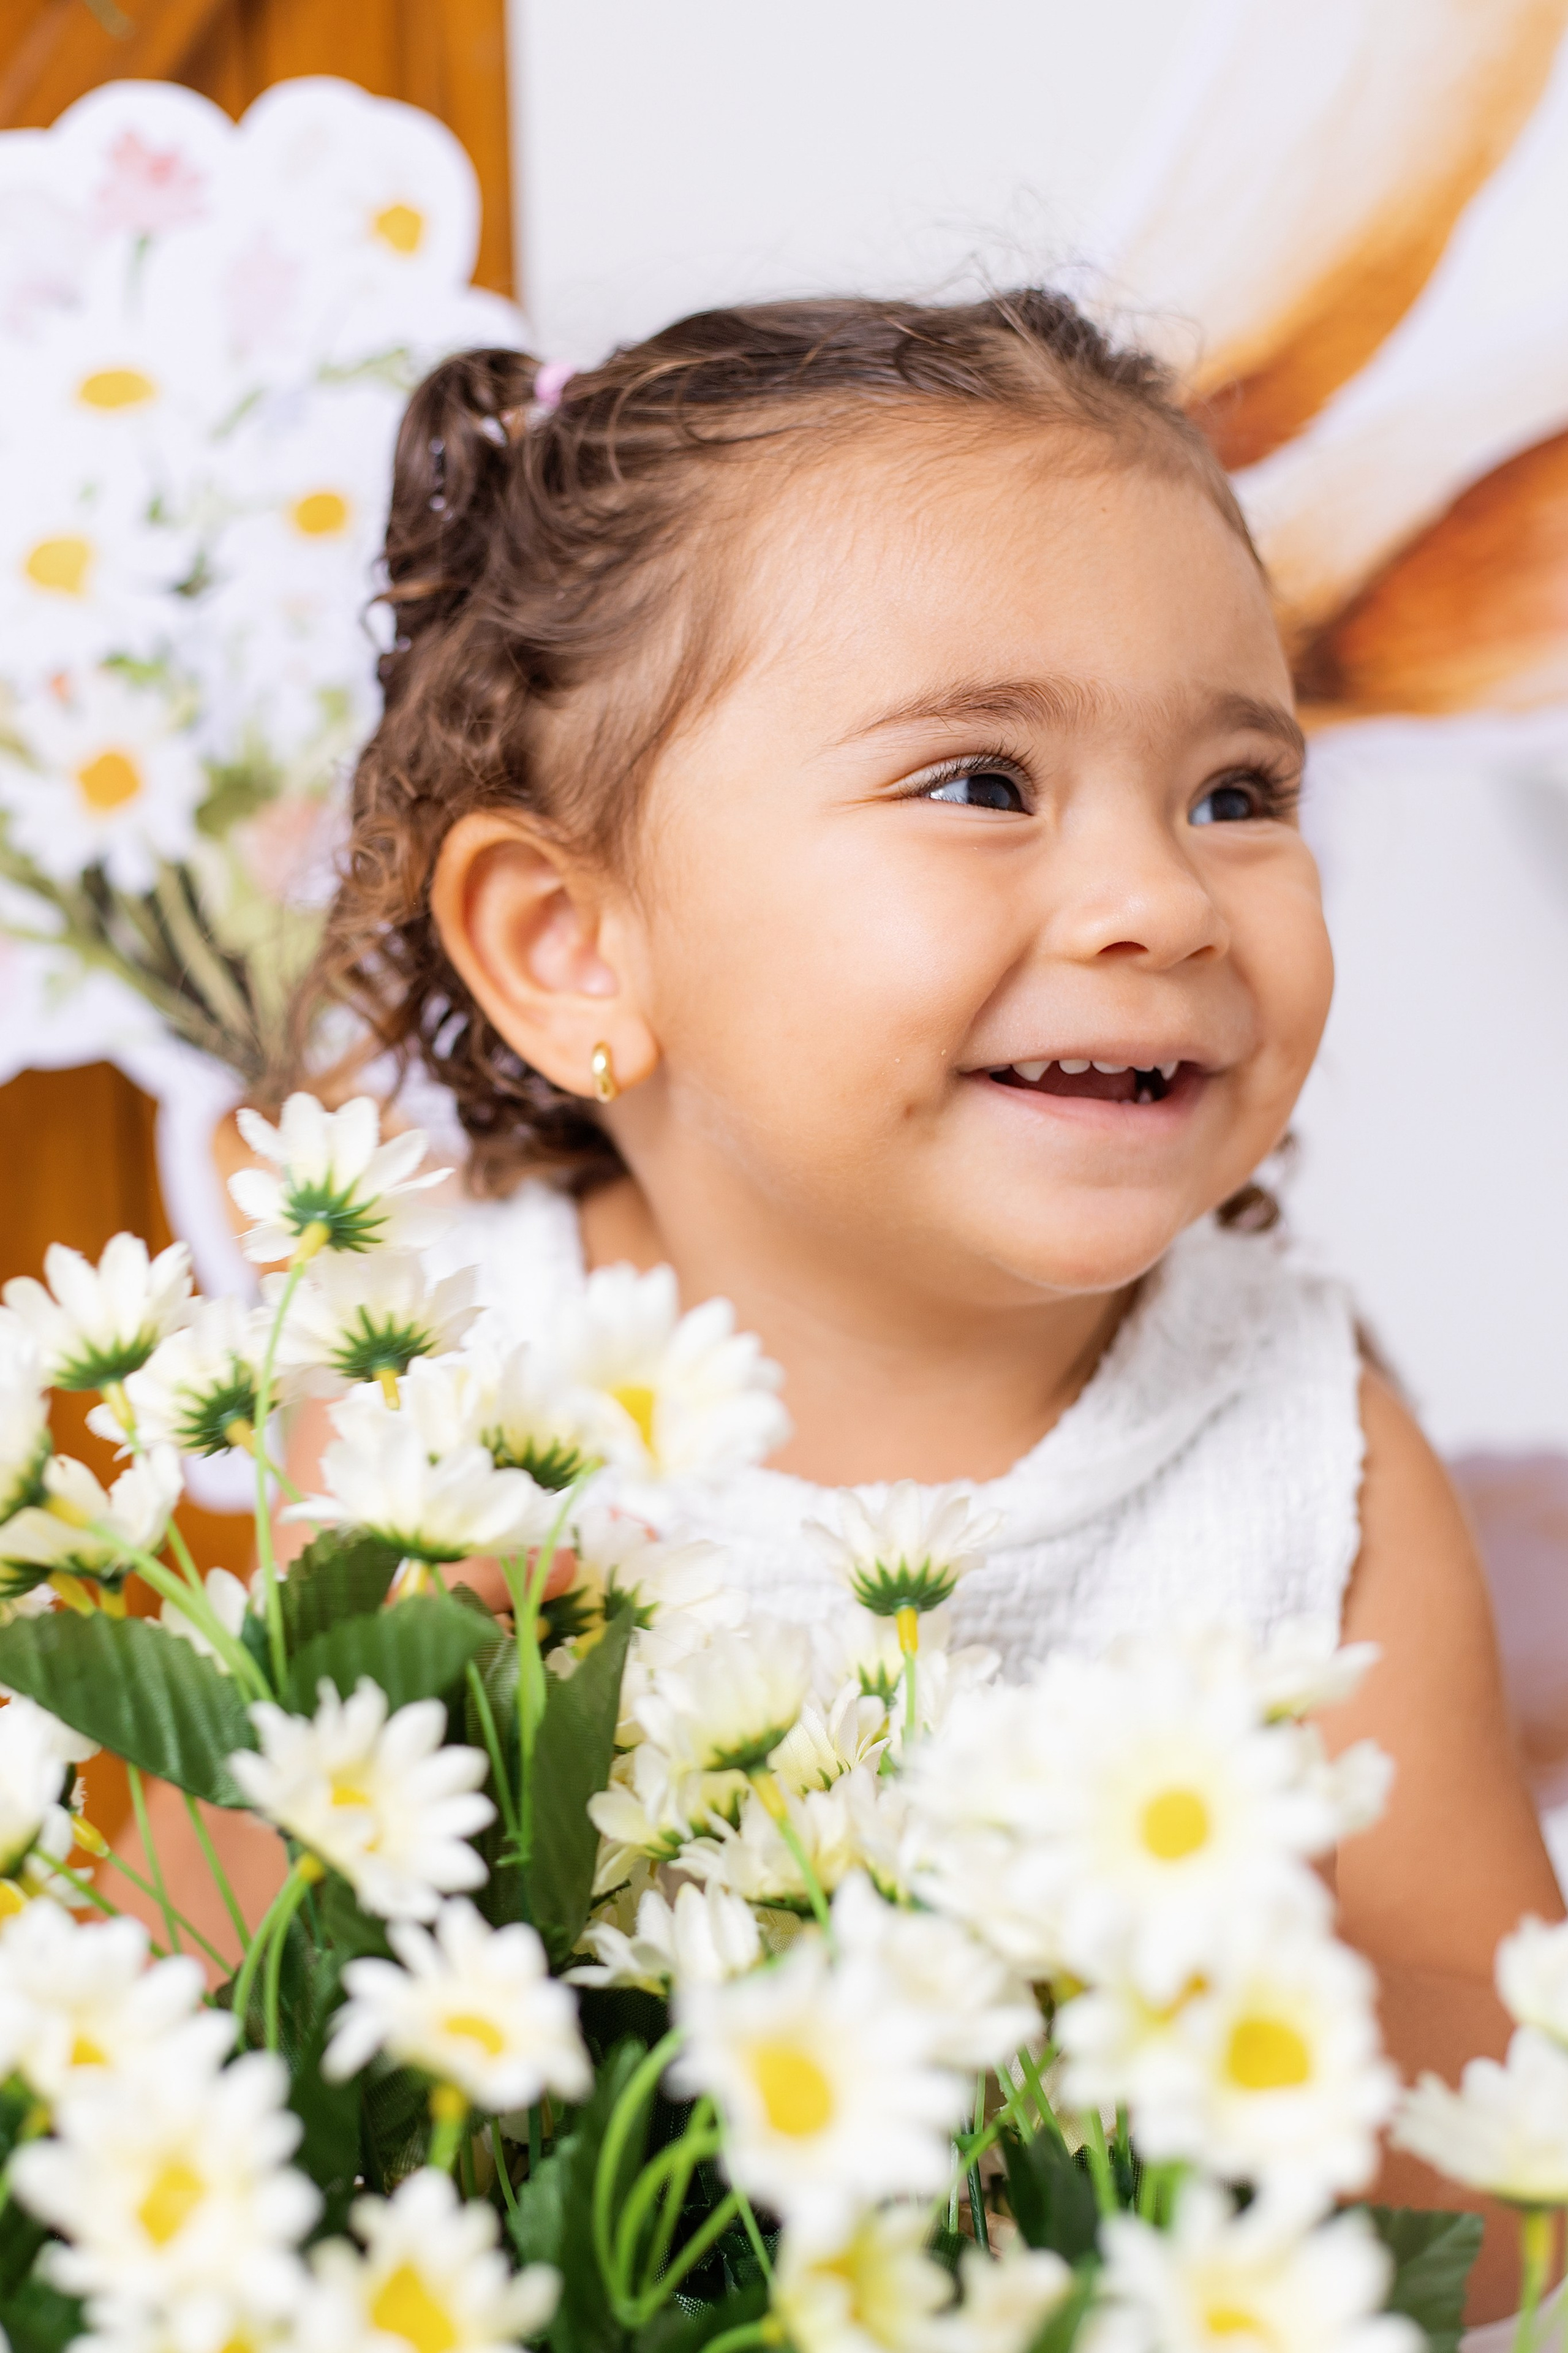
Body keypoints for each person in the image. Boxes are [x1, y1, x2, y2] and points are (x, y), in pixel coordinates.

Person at [302, 293, 1560, 2319]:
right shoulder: (435, 1403)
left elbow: (1506, 2109)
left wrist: (1191, 2087)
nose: (1160, 896)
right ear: (569, 943)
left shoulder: (1299, 1445)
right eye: (982, 780)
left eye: (1239, 791)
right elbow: (247, 2003)